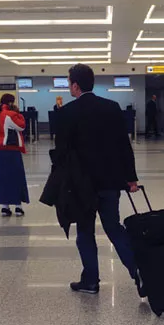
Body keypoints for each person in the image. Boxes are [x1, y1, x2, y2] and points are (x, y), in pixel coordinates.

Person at [55, 64, 139, 294]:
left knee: (85, 231)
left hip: (82, 186)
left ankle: (90, 280)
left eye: (69, 82)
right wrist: (131, 178)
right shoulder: (112, 107)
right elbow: (124, 146)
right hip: (110, 182)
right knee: (114, 228)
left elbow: (61, 153)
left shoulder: (67, 112)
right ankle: (140, 272)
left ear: (75, 85)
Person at [0, 93, 29, 217]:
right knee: (16, 178)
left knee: (3, 178)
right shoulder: (9, 115)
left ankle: (4, 207)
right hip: (11, 151)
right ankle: (18, 207)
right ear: (10, 103)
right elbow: (21, 126)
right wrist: (18, 113)